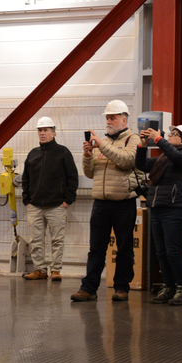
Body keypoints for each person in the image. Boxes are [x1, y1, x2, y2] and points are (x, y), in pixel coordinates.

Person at [70, 100, 141, 303]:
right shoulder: (104, 142)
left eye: (113, 117)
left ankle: (121, 287)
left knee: (124, 247)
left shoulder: (132, 140)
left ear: (124, 119)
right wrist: (87, 155)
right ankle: (89, 288)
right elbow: (91, 173)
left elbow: (127, 160)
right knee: (96, 248)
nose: (109, 121)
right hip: (100, 203)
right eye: (107, 117)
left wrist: (101, 146)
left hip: (123, 202)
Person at [136, 123, 182, 306]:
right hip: (157, 207)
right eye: (170, 133)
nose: (170, 135)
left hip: (174, 208)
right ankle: (169, 286)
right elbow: (142, 165)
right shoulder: (164, 157)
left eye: (175, 134)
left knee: (173, 252)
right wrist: (142, 145)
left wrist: (159, 139)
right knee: (161, 252)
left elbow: (178, 157)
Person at [21, 116, 79, 281]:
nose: (42, 133)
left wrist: (67, 200)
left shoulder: (63, 152)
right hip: (35, 206)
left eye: (46, 130)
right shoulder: (32, 154)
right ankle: (40, 269)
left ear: (53, 133)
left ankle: (55, 270)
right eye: (40, 130)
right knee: (36, 240)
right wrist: (27, 200)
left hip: (56, 206)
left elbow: (72, 178)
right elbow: (26, 179)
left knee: (57, 240)